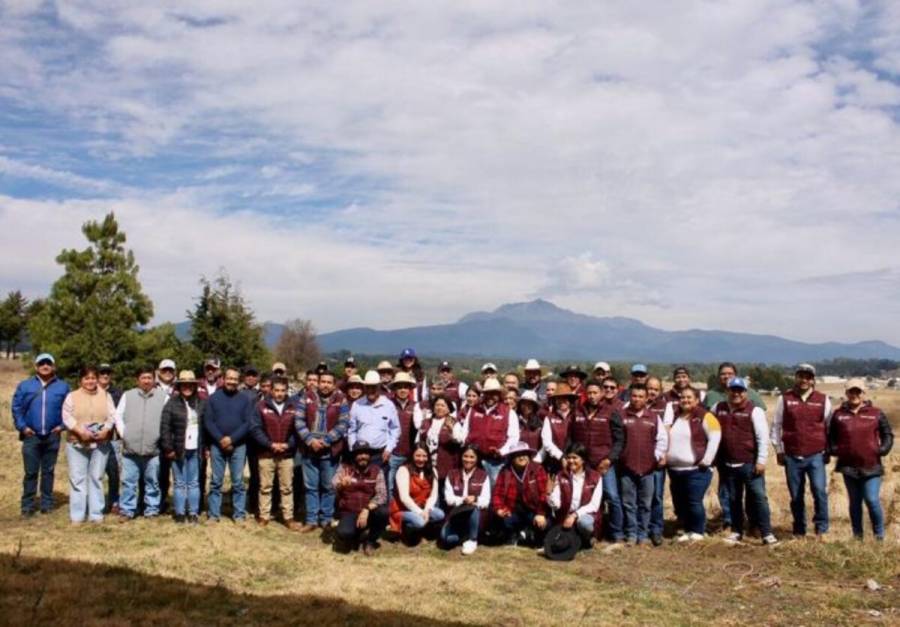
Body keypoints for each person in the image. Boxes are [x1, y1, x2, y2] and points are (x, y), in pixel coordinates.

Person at [711, 377, 777, 545]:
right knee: (734, 499)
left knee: (759, 497)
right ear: (727, 391)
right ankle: (736, 531)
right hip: (728, 463)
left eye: (740, 390)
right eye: (733, 390)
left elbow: (763, 438)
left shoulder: (755, 411)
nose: (736, 393)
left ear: (746, 392)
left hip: (750, 463)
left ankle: (767, 533)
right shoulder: (717, 408)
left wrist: (761, 461)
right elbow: (710, 433)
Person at [703, 362, 766, 535]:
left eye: (730, 373)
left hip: (747, 455)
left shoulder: (751, 393)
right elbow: (705, 419)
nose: (726, 376)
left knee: (754, 493)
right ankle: (730, 522)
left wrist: (761, 457)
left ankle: (755, 524)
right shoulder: (711, 396)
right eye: (723, 373)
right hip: (725, 455)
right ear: (719, 376)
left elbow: (760, 415)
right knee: (727, 492)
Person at [771, 363, 832, 538]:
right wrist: (779, 450)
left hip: (816, 455)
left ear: (813, 380)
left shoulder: (823, 399)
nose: (804, 380)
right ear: (796, 377)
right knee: (796, 496)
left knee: (819, 491)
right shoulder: (784, 399)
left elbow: (829, 427)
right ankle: (799, 530)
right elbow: (776, 426)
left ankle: (821, 529)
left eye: (808, 377)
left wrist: (828, 450)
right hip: (792, 455)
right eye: (801, 376)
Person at [829, 379, 894, 541]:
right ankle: (857, 536)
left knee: (872, 500)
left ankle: (879, 536)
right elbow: (831, 437)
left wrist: (882, 449)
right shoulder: (838, 414)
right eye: (851, 391)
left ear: (864, 393)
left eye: (858, 392)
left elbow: (888, 434)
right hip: (848, 467)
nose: (855, 395)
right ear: (846, 393)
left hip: (871, 465)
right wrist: (835, 450)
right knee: (854, 502)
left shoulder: (876, 413)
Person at [12, 353, 69, 517]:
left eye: (48, 363)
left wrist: (62, 426)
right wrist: (23, 427)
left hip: (52, 435)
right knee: (30, 472)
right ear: (36, 366)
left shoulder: (62, 387)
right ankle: (27, 506)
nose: (45, 366)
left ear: (53, 366)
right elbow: (16, 408)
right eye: (42, 363)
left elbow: (69, 409)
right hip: (31, 436)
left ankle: (47, 504)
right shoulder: (25, 385)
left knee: (48, 471)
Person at [296, 370, 350, 531]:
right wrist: (310, 440)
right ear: (318, 382)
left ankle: (326, 518)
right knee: (311, 486)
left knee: (328, 486)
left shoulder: (341, 399)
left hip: (330, 450)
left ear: (334, 384)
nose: (325, 385)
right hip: (309, 449)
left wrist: (326, 440)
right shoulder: (307, 397)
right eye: (323, 381)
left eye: (329, 382)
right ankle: (311, 519)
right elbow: (299, 420)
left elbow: (343, 423)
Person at [572, 378, 625, 542]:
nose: (592, 396)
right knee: (589, 499)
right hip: (585, 465)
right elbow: (572, 438)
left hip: (604, 463)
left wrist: (609, 459)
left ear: (602, 393)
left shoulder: (611, 412)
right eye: (589, 393)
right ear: (585, 394)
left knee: (612, 497)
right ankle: (594, 532)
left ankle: (617, 533)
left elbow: (619, 440)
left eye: (595, 392)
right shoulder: (578, 412)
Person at [667, 387, 721, 541]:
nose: (685, 400)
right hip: (675, 470)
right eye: (682, 397)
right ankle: (687, 529)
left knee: (694, 500)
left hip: (697, 469)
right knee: (681, 502)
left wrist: (707, 460)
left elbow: (715, 436)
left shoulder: (705, 416)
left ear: (697, 400)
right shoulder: (676, 416)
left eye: (689, 397)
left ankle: (697, 531)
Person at [63, 365, 115, 523]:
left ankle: (96, 515)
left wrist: (106, 430)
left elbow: (112, 416)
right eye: (87, 378)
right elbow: (66, 416)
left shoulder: (105, 396)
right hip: (77, 444)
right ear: (80, 380)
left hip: (100, 444)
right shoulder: (72, 396)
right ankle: (77, 516)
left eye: (93, 378)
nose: (90, 381)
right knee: (78, 479)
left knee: (96, 478)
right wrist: (80, 432)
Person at [115, 366, 168, 520]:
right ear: (137, 380)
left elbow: (166, 420)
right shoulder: (128, 395)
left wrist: (160, 437)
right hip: (130, 449)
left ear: (154, 380)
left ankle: (151, 509)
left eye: (149, 378)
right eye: (143, 378)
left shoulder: (163, 397)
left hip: (153, 449)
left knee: (152, 482)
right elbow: (118, 416)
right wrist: (124, 434)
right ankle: (127, 510)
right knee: (128, 482)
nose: (146, 381)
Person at [618, 384, 668, 545]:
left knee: (646, 504)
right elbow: (617, 440)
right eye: (634, 396)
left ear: (646, 398)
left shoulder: (653, 417)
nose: (637, 399)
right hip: (627, 468)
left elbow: (662, 439)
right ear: (629, 397)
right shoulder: (622, 415)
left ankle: (643, 534)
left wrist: (655, 457)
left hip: (648, 469)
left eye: (641, 396)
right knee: (628, 503)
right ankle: (631, 534)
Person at [204, 367, 254, 522]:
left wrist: (232, 439)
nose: (232, 381)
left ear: (238, 381)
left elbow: (248, 423)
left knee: (238, 481)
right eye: (229, 378)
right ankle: (214, 514)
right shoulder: (213, 398)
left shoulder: (245, 399)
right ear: (223, 379)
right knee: (216, 481)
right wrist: (221, 439)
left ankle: (239, 513)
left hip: (238, 445)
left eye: (235, 379)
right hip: (217, 445)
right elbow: (208, 421)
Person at [251, 377, 300, 530]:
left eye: (283, 391)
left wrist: (288, 445)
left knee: (287, 487)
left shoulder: (294, 407)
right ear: (271, 390)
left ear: (287, 391)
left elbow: (297, 430)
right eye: (276, 390)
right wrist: (270, 444)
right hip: (266, 453)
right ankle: (264, 516)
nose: (279, 394)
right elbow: (255, 429)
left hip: (286, 454)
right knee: (265, 487)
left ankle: (288, 517)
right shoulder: (260, 406)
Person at [160, 370, 205, 524]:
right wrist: (168, 448)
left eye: (190, 385)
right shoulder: (171, 403)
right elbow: (164, 427)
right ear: (179, 386)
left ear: (194, 386)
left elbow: (205, 427)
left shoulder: (201, 403)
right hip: (178, 449)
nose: (187, 387)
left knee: (193, 482)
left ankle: (193, 513)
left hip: (195, 449)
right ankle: (179, 513)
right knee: (179, 482)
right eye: (184, 385)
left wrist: (205, 448)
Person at [456, 377, 520, 484]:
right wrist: (464, 443)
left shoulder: (508, 412)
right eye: (488, 393)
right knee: (472, 489)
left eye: (494, 393)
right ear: (484, 394)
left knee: (493, 490)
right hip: (473, 459)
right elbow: (465, 431)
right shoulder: (474, 409)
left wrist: (502, 451)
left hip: (495, 461)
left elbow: (514, 437)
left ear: (499, 394)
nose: (490, 396)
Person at [332, 441, 389, 555]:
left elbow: (382, 495)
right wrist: (341, 485)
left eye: (365, 453)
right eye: (359, 453)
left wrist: (367, 509)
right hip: (349, 511)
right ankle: (355, 534)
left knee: (384, 512)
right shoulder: (345, 468)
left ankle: (370, 541)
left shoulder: (377, 471)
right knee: (344, 533)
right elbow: (333, 485)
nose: (363, 456)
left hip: (368, 511)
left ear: (370, 456)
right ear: (354, 455)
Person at [491, 441, 549, 547]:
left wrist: (541, 513)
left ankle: (529, 534)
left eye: (524, 454)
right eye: (517, 455)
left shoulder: (537, 469)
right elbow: (497, 494)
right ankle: (513, 535)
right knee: (505, 520)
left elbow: (544, 493)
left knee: (542, 524)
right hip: (513, 508)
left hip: (534, 508)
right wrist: (499, 508)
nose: (521, 458)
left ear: (529, 456)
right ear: (512, 458)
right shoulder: (505, 471)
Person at [548, 444, 603, 547]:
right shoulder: (560, 475)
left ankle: (588, 539)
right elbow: (557, 505)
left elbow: (594, 505)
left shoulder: (595, 477)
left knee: (584, 523)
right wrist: (549, 494)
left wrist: (574, 515)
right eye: (568, 457)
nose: (571, 461)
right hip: (565, 516)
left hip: (585, 515)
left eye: (575, 458)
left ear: (583, 460)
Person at [389, 443, 445, 542]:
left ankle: (422, 530)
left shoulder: (433, 471)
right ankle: (406, 530)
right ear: (412, 456)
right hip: (402, 508)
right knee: (420, 522)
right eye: (417, 456)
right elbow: (404, 498)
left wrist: (426, 510)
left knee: (439, 514)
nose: (421, 459)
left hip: (422, 507)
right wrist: (420, 512)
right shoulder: (403, 470)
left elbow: (433, 495)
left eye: (424, 456)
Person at [441, 444, 491, 555]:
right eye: (465, 456)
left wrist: (475, 498)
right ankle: (464, 535)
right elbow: (449, 499)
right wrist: (463, 500)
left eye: (472, 457)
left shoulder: (483, 475)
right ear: (461, 457)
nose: (468, 460)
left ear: (477, 459)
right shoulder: (452, 474)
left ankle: (473, 539)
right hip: (456, 513)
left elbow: (486, 501)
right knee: (448, 540)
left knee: (473, 508)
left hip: (475, 514)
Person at [347, 371, 400, 470]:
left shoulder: (388, 405)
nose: (371, 390)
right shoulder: (357, 405)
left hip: (380, 455)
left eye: (374, 387)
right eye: (368, 387)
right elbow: (351, 430)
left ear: (379, 387)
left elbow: (395, 430)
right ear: (364, 388)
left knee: (381, 484)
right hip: (360, 455)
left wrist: (389, 449)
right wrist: (353, 449)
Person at [388, 372, 425, 496]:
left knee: (407, 488)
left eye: (405, 387)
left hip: (409, 454)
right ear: (394, 389)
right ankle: (389, 514)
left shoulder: (416, 406)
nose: (403, 390)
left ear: (410, 389)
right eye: (399, 387)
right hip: (391, 454)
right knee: (390, 487)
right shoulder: (388, 404)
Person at [645, 376, 670, 545]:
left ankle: (656, 529)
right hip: (638, 458)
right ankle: (643, 528)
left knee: (657, 496)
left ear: (660, 391)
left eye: (655, 389)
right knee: (642, 497)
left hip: (656, 458)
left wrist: (663, 454)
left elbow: (666, 431)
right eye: (649, 388)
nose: (652, 391)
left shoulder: (665, 407)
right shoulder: (633, 404)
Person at [418, 396, 463, 483]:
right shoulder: (425, 422)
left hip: (446, 465)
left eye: (443, 405)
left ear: (448, 409)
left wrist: (451, 430)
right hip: (427, 464)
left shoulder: (454, 423)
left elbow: (460, 441)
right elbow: (418, 441)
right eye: (437, 405)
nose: (439, 408)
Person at [98, 363, 124, 514]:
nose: (105, 376)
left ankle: (114, 501)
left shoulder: (118, 393)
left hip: (114, 439)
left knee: (114, 472)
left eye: (108, 373)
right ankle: (98, 502)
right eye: (102, 373)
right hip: (94, 439)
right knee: (96, 473)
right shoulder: (91, 391)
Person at [155, 358, 178, 515]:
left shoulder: (181, 387)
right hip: (158, 436)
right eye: (164, 370)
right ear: (158, 372)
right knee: (159, 472)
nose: (167, 373)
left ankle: (179, 504)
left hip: (177, 436)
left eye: (170, 370)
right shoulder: (152, 387)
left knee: (179, 473)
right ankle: (160, 501)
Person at [541, 383, 578, 474]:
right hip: (555, 462)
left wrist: (571, 458)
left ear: (570, 400)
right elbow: (546, 442)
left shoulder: (577, 416)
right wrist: (561, 457)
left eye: (565, 398)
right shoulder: (549, 417)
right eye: (559, 399)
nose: (562, 401)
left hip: (576, 462)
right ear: (555, 401)